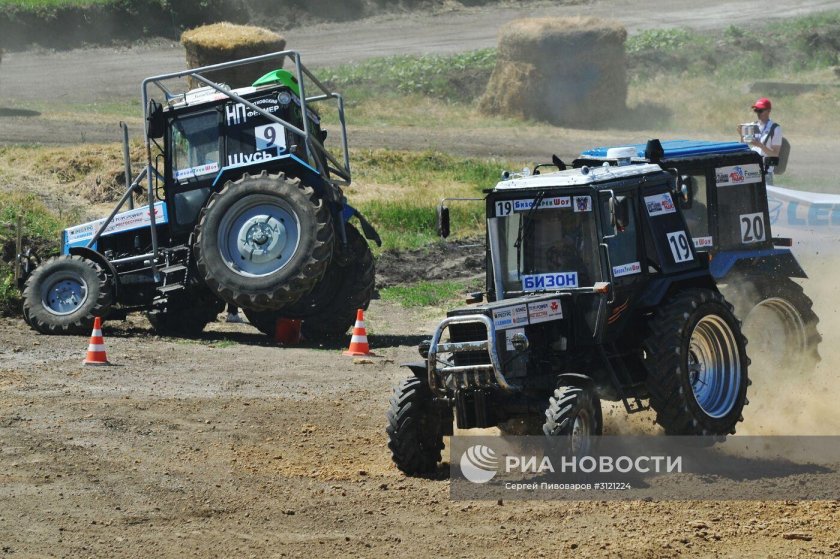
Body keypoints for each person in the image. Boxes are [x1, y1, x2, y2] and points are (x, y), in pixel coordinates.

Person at [745, 97, 783, 184]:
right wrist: (741, 132)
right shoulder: (752, 125)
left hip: (765, 171)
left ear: (768, 111)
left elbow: (775, 154)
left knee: (766, 197)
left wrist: (760, 145)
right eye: (756, 110)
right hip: (751, 169)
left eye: (760, 110)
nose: (758, 113)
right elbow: (745, 143)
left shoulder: (775, 128)